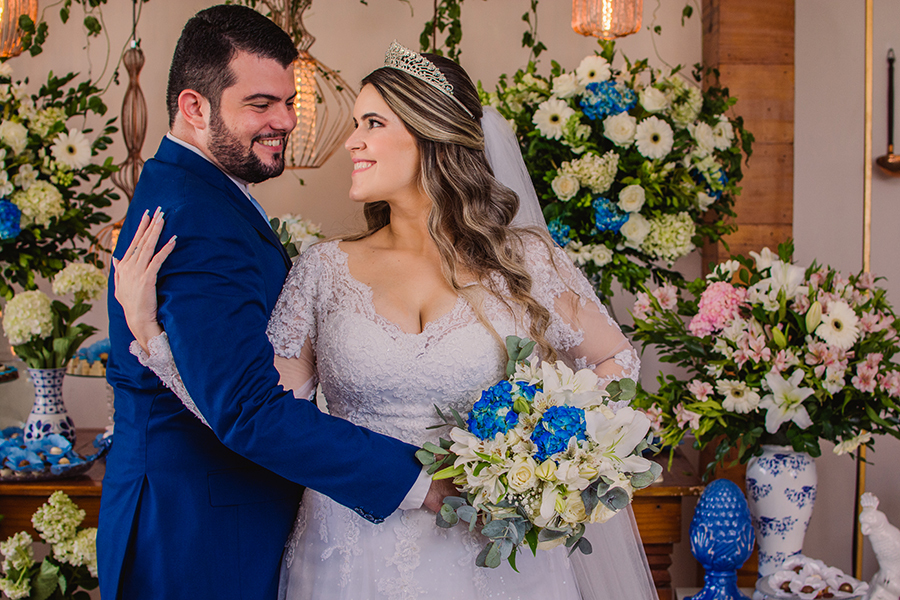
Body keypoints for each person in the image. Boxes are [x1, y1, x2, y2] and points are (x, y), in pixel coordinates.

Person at [114, 40, 658, 600]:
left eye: (372, 123)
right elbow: (263, 418)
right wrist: (152, 336)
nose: (352, 142)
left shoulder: (524, 261)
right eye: (354, 123)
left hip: (493, 558)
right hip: (347, 556)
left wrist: (548, 455)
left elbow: (617, 361)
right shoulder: (322, 270)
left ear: (430, 135)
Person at [99, 9, 451, 600]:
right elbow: (246, 409)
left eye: (289, 102)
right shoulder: (197, 217)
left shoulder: (203, 193)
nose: (285, 121)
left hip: (209, 518)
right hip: (198, 536)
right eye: (261, 104)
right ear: (194, 107)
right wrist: (415, 482)